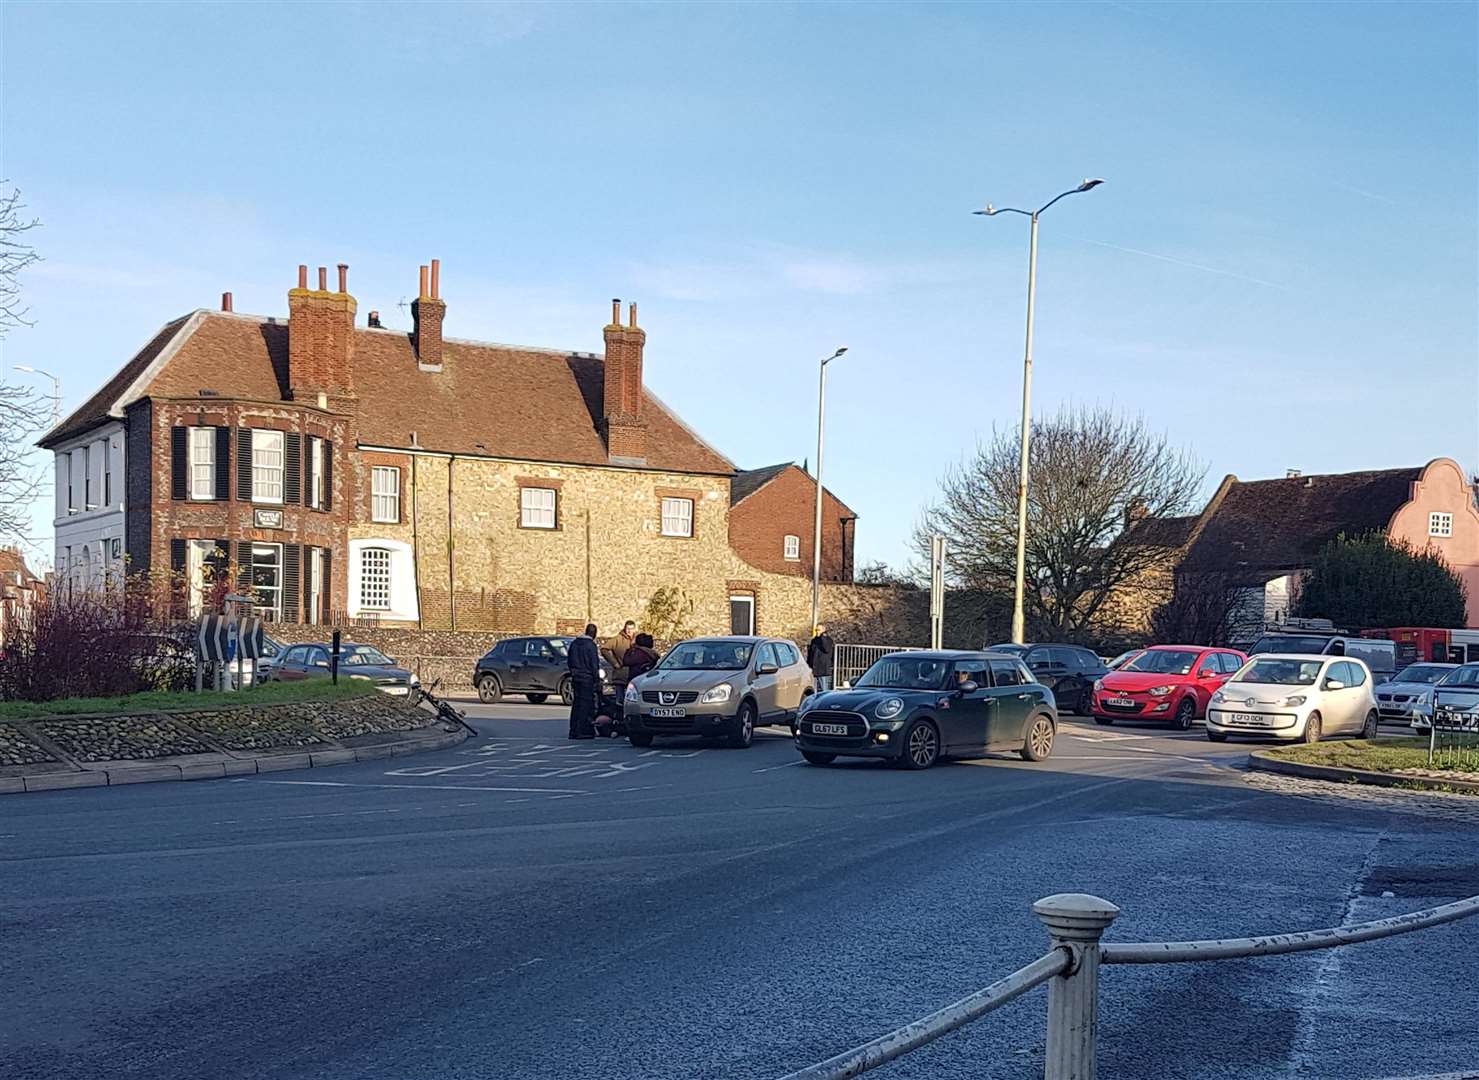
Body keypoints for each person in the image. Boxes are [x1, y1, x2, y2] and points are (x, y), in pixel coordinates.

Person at [567, 623, 601, 739]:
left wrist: (573, 672)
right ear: (594, 633)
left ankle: (573, 730)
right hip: (587, 678)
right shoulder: (591, 646)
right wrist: (597, 680)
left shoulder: (574, 644)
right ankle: (584, 730)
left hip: (576, 677)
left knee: (576, 704)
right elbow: (594, 665)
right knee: (586, 705)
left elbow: (569, 661)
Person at [807, 623, 835, 692]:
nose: (817, 631)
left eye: (819, 630)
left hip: (823, 670)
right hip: (814, 669)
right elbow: (811, 653)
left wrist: (823, 637)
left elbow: (826, 649)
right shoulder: (814, 640)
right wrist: (809, 664)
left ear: (823, 630)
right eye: (816, 630)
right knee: (814, 690)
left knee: (824, 690)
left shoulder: (828, 640)